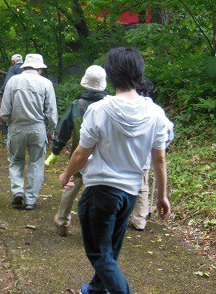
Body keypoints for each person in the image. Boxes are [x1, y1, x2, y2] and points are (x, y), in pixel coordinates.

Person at [59, 47, 172, 294]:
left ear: (111, 74)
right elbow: (159, 159)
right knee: (109, 249)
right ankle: (96, 289)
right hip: (129, 193)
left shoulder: (99, 110)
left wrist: (67, 174)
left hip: (100, 190)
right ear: (139, 73)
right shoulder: (155, 113)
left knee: (99, 253)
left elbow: (81, 153)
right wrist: (161, 196)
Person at [45, 65, 108, 237]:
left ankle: (64, 221)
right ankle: (98, 228)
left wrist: (54, 153)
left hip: (81, 157)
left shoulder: (76, 106)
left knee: (71, 188)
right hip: (106, 161)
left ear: (85, 83)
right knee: (101, 193)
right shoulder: (112, 106)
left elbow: (63, 131)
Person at [0, 54, 58, 210]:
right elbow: (52, 113)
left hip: (16, 127)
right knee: (36, 163)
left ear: (24, 66)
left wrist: (10, 124)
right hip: (38, 128)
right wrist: (50, 130)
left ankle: (18, 192)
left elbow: (4, 111)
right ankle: (31, 199)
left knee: (16, 160)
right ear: (39, 68)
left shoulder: (13, 81)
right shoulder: (46, 83)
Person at [130, 77, 174, 231]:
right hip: (145, 158)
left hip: (123, 155)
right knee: (141, 187)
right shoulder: (156, 110)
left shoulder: (126, 104)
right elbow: (169, 131)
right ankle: (140, 218)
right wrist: (160, 146)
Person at [0, 54, 24, 143]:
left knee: (6, 112)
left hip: (13, 95)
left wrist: (0, 91)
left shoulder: (13, 68)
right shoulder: (27, 69)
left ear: (14, 61)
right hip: (25, 97)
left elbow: (8, 81)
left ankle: (5, 136)